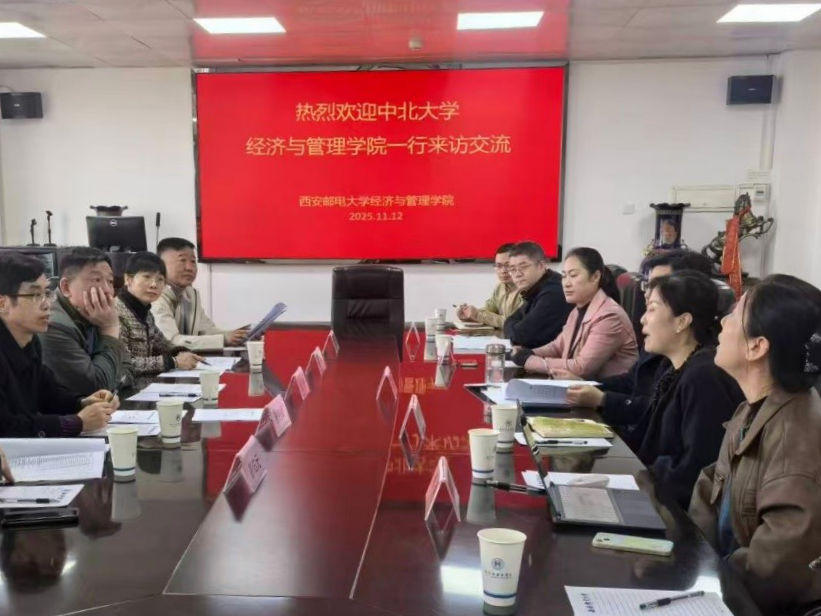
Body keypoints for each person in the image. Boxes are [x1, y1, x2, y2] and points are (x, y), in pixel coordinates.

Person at [690, 275, 821, 615]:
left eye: (735, 313)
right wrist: (690, 558)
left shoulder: (797, 436)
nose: (723, 322)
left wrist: (706, 577)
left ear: (757, 346)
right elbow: (711, 488)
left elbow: (775, 571)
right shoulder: (750, 409)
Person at [613, 272, 742, 507]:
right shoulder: (673, 367)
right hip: (653, 493)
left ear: (682, 321)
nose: (642, 319)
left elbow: (695, 470)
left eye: (652, 309)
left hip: (673, 513)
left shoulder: (704, 377)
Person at [566, 249, 715, 423]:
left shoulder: (700, 372)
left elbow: (656, 412)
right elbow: (633, 381)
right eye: (648, 284)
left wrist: (603, 400)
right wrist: (585, 384)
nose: (648, 292)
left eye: (660, 284)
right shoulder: (662, 341)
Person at [0, 252, 117, 438]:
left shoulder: (30, 341)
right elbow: (6, 427)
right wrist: (76, 423)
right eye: (35, 295)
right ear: (3, 304)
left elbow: (48, 393)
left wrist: (83, 403)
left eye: (47, 293)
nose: (46, 305)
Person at [514, 248, 638, 379]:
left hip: (605, 389)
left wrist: (530, 361)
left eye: (573, 275)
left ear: (595, 277)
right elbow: (558, 346)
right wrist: (529, 352)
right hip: (578, 385)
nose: (566, 283)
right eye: (564, 276)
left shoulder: (610, 316)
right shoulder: (577, 309)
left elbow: (582, 368)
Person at [39, 247, 132, 397]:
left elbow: (128, 368)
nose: (108, 290)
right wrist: (109, 329)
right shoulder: (52, 324)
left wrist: (114, 381)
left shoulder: (97, 314)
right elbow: (96, 388)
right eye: (96, 280)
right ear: (66, 287)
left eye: (110, 281)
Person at [152, 238, 248, 350]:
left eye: (193, 261)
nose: (189, 268)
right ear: (161, 265)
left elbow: (206, 330)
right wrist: (223, 339)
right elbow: (171, 341)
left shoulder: (191, 294)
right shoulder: (154, 296)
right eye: (182, 260)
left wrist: (237, 335)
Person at [116, 252, 202, 376]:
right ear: (128, 279)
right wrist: (173, 362)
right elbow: (123, 364)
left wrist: (182, 352)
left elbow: (163, 345)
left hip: (147, 384)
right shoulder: (116, 313)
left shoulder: (145, 312)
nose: (154, 285)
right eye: (147, 277)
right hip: (125, 387)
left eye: (160, 279)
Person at [503, 241, 572, 348]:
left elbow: (520, 337)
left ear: (541, 266)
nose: (517, 274)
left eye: (523, 267)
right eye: (512, 269)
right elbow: (509, 321)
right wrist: (513, 328)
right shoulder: (535, 288)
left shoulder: (553, 291)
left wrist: (512, 328)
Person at [456, 243, 522, 328]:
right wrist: (468, 314)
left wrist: (478, 315)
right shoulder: (500, 287)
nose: (503, 271)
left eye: (507, 265)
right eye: (499, 266)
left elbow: (515, 323)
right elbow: (488, 310)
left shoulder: (527, 289)